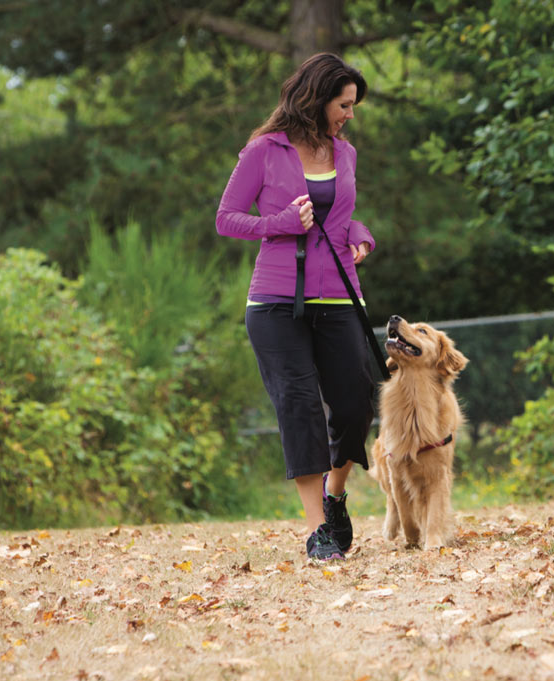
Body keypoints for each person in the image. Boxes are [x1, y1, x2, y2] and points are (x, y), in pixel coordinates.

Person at [216, 52, 376, 562]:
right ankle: (318, 533)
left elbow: (342, 218)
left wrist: (361, 235)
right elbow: (227, 218)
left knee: (356, 402)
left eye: (352, 105)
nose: (349, 113)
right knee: (300, 407)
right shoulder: (263, 150)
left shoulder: (344, 153)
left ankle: (335, 494)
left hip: (339, 295)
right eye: (343, 104)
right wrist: (277, 222)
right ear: (318, 97)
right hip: (275, 301)